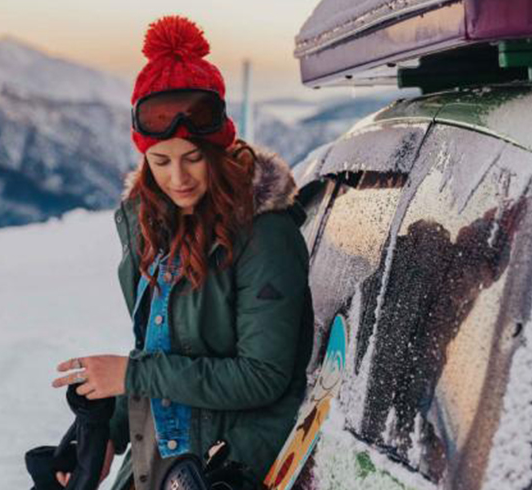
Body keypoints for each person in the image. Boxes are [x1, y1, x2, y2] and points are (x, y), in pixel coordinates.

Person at [51, 15, 314, 490]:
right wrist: (106, 432)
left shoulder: (265, 235)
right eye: (161, 161)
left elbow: (263, 377)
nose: (179, 178)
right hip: (157, 457)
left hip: (224, 468)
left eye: (194, 157)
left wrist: (132, 374)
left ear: (220, 149)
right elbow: (159, 349)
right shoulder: (154, 227)